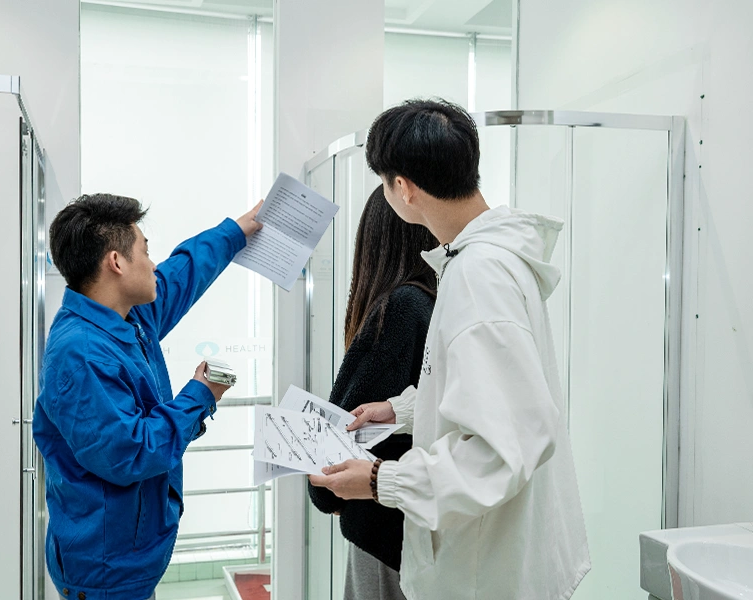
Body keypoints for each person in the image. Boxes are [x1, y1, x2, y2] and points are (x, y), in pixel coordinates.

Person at [309, 99, 591, 600]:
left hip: (489, 571)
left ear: (403, 188)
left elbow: (501, 450)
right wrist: (402, 410)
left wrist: (381, 480)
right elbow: (495, 390)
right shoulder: (487, 262)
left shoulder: (479, 275)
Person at [33, 193, 263, 600]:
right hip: (106, 574)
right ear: (117, 263)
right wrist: (200, 395)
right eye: (145, 250)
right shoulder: (81, 353)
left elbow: (183, 273)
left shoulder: (128, 317)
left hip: (127, 559)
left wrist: (236, 231)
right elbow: (131, 452)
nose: (153, 264)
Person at [307, 185, 437, 600]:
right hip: (417, 515)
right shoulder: (434, 300)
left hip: (386, 525)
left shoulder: (399, 306)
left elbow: (346, 422)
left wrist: (323, 491)